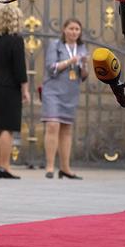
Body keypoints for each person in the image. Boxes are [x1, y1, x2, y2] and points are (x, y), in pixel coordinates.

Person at [0, 5, 29, 179]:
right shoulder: (16, 39)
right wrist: (25, 89)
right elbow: (20, 68)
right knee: (7, 128)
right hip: (10, 87)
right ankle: (5, 166)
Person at [41, 19, 89, 179]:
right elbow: (51, 67)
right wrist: (70, 61)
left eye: (77, 29)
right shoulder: (55, 45)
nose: (74, 32)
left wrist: (84, 66)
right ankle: (49, 166)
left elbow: (84, 76)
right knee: (53, 125)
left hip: (71, 91)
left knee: (67, 129)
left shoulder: (82, 48)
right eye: (71, 28)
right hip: (53, 90)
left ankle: (65, 168)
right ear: (64, 29)